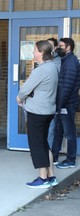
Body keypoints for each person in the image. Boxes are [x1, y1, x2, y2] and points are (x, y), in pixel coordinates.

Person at [16, 40, 59, 188]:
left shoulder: (40, 70)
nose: (33, 53)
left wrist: (19, 98)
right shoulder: (53, 67)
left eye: (35, 50)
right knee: (44, 143)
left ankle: (42, 179)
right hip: (48, 110)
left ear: (41, 53)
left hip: (38, 112)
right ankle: (51, 176)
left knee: (37, 144)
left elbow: (25, 89)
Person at [52, 38, 80, 169]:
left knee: (69, 132)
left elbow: (67, 86)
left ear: (68, 47)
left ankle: (71, 159)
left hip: (67, 103)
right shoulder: (66, 60)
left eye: (61, 46)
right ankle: (55, 156)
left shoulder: (70, 62)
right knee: (59, 130)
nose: (58, 48)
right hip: (63, 103)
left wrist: (60, 104)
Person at [47, 37, 61, 149]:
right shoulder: (43, 61)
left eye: (51, 45)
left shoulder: (58, 61)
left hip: (54, 97)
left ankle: (49, 152)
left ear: (56, 48)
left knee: (52, 127)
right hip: (44, 99)